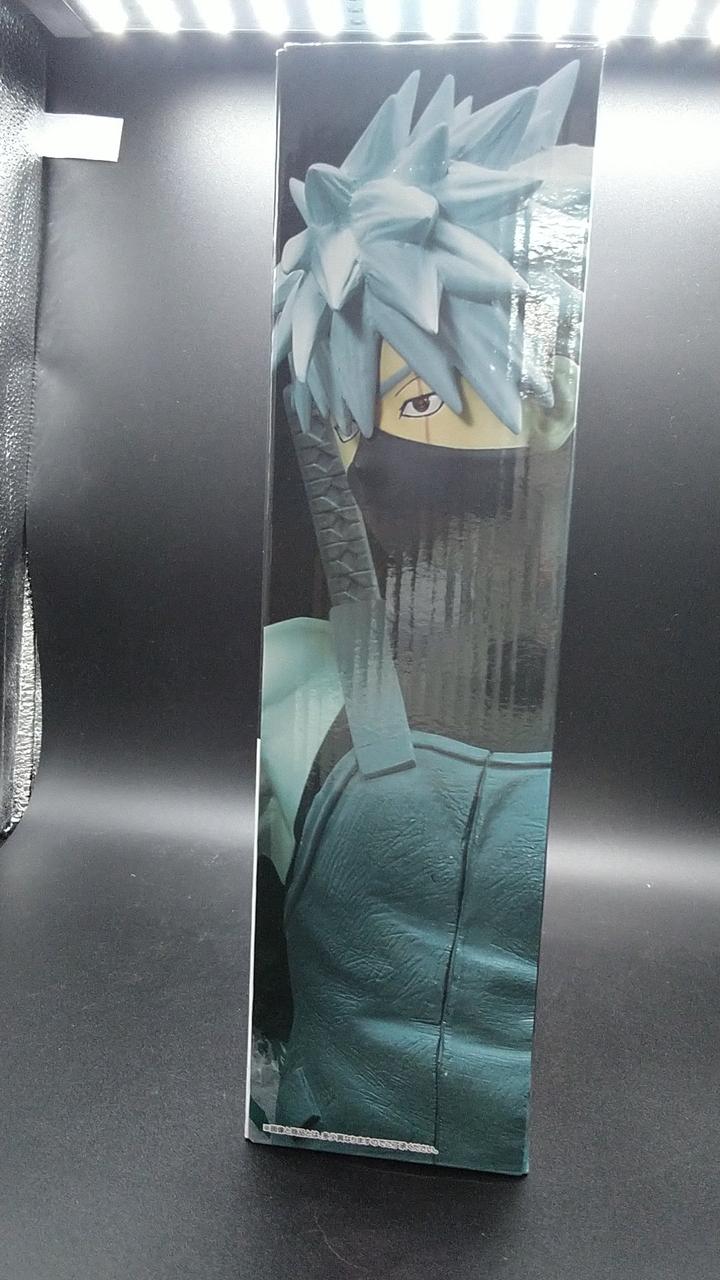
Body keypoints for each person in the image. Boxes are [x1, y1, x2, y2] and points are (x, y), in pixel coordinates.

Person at [250, 59, 591, 1173]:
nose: (375, 461)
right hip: (312, 1165)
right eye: (362, 415)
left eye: (429, 397)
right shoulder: (293, 679)